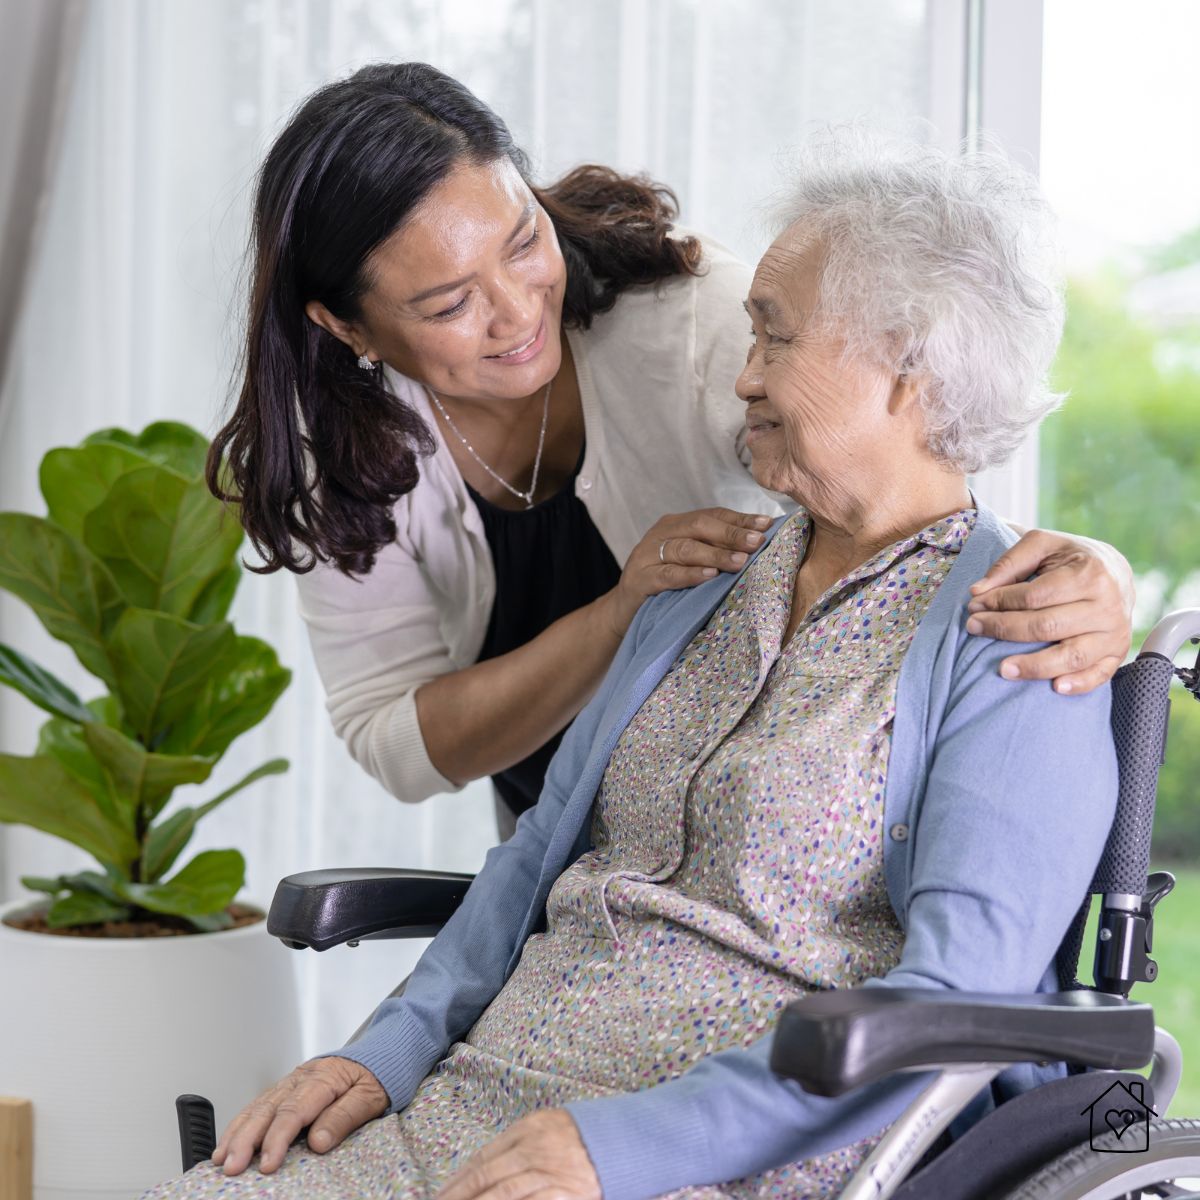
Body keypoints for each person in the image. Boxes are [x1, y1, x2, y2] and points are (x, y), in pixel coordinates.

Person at [152, 134, 1120, 1199]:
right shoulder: (698, 583)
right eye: (751, 332)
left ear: (910, 368)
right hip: (488, 1102)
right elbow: (529, 866)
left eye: (775, 338)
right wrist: (378, 1054)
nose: (743, 374)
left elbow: (957, 993)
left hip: (733, 1150)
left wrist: (623, 1149)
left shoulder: (1018, 642)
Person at [209, 62, 1133, 838]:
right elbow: (398, 743)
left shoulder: (697, 323)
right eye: (450, 304)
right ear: (346, 326)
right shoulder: (337, 448)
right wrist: (619, 616)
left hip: (751, 835)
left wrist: (1095, 573)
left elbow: (923, 471)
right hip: (572, 857)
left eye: (524, 238)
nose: (519, 309)